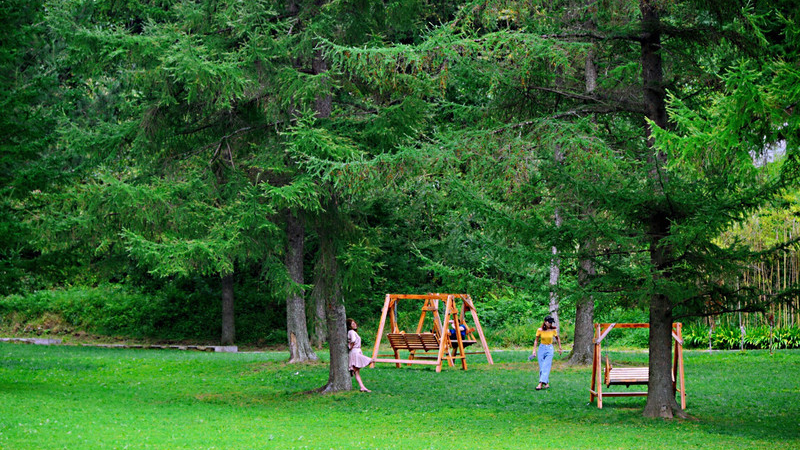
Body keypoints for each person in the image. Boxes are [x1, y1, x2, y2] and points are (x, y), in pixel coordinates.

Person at [529, 316, 562, 390]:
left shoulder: (553, 330)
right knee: (542, 366)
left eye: (551, 322)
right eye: (549, 322)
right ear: (545, 322)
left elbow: (557, 338)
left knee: (546, 365)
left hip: (549, 348)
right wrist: (534, 351)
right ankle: (546, 383)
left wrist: (560, 348)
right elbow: (536, 340)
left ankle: (540, 384)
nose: (550, 323)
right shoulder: (539, 330)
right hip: (541, 348)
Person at [346, 318, 372, 392]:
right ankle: (353, 371)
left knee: (357, 372)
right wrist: (351, 346)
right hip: (355, 352)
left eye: (355, 323)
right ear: (349, 326)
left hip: (357, 351)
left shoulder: (352, 332)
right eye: (352, 324)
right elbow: (353, 340)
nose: (355, 325)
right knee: (370, 360)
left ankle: (362, 387)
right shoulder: (351, 332)